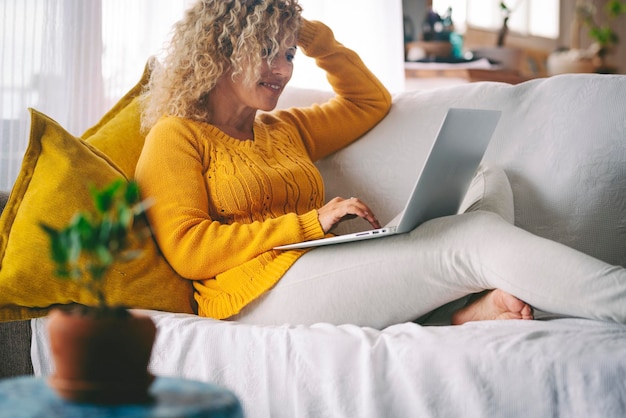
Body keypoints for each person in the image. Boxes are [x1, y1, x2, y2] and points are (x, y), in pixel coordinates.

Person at [136, 0, 625, 329]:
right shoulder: (176, 136)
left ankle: (456, 312)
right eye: (265, 50)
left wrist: (309, 35)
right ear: (221, 47)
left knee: (488, 176)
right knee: (467, 241)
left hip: (316, 268)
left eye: (287, 53)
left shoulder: (283, 130)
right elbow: (189, 249)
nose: (283, 69)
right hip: (251, 299)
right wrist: (309, 223)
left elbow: (369, 100)